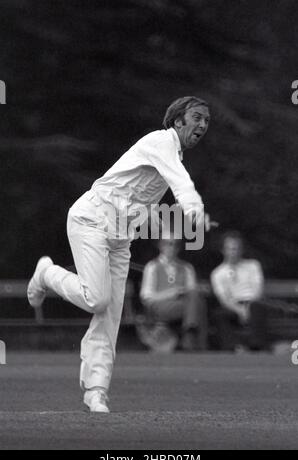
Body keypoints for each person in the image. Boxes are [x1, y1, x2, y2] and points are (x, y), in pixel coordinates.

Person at [27, 96, 211, 412]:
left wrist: (152, 218)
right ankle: (47, 273)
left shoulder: (168, 154)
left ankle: (96, 390)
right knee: (97, 299)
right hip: (91, 220)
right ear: (177, 120)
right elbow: (179, 182)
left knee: (108, 315)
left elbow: (138, 197)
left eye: (207, 121)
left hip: (119, 239)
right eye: (197, 117)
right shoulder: (160, 141)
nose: (203, 125)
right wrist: (193, 208)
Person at [139, 235, 207, 352]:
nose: (172, 247)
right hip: (159, 306)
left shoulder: (187, 267)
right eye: (168, 243)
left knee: (196, 299)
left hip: (182, 305)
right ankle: (193, 337)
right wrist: (171, 293)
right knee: (198, 305)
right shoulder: (152, 267)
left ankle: (189, 333)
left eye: (175, 244)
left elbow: (192, 293)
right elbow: (146, 297)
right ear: (161, 246)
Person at [210, 231, 266, 350]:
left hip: (253, 303)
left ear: (242, 250)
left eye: (236, 248)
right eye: (230, 248)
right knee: (219, 315)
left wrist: (248, 308)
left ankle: (256, 347)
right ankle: (234, 347)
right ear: (223, 250)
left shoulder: (253, 266)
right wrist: (240, 310)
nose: (233, 252)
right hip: (233, 306)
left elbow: (258, 290)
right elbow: (224, 299)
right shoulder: (217, 273)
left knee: (257, 307)